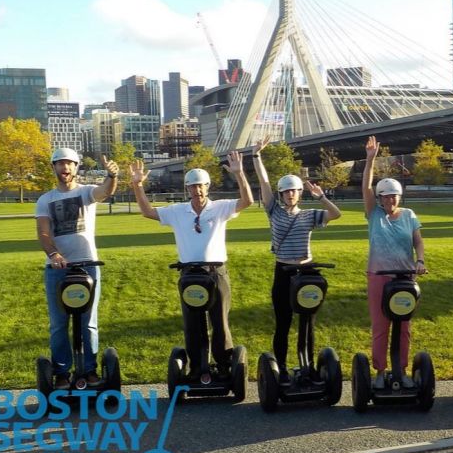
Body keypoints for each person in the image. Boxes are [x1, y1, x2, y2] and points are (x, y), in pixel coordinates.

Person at [129, 154, 253, 379]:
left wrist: (239, 173)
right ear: (187, 189)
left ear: (208, 186)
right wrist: (137, 186)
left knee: (220, 322)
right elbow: (148, 211)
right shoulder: (177, 211)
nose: (198, 190)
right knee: (193, 324)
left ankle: (224, 366)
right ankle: (197, 368)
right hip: (189, 274)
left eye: (201, 186)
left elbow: (247, 202)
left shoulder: (220, 208)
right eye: (193, 186)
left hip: (216, 272)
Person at [250, 139, 342, 384]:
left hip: (306, 272)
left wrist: (321, 196)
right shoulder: (274, 211)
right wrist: (256, 156)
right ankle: (279, 367)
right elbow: (264, 183)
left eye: (294, 191)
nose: (290, 194)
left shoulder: (310, 215)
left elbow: (336, 214)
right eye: (286, 191)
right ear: (281, 194)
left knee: (307, 323)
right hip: (283, 270)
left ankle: (308, 366)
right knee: (283, 322)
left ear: (300, 193)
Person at [36, 148, 119, 390]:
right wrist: (54, 254)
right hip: (57, 269)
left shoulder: (85, 192)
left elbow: (105, 191)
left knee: (88, 322)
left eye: (70, 164)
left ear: (76, 167)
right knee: (59, 323)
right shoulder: (45, 200)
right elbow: (43, 232)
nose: (65, 168)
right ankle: (62, 373)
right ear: (54, 168)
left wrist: (112, 176)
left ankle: (89, 370)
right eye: (60, 164)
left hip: (88, 266)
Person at [362, 136, 428, 390]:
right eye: (385, 197)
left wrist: (420, 260)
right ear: (379, 199)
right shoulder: (374, 214)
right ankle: (380, 371)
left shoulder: (410, 216)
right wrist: (370, 159)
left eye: (393, 197)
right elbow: (366, 188)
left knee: (404, 327)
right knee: (381, 326)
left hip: (404, 277)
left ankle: (401, 369)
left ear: (399, 197)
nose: (389, 201)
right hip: (379, 275)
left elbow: (418, 242)